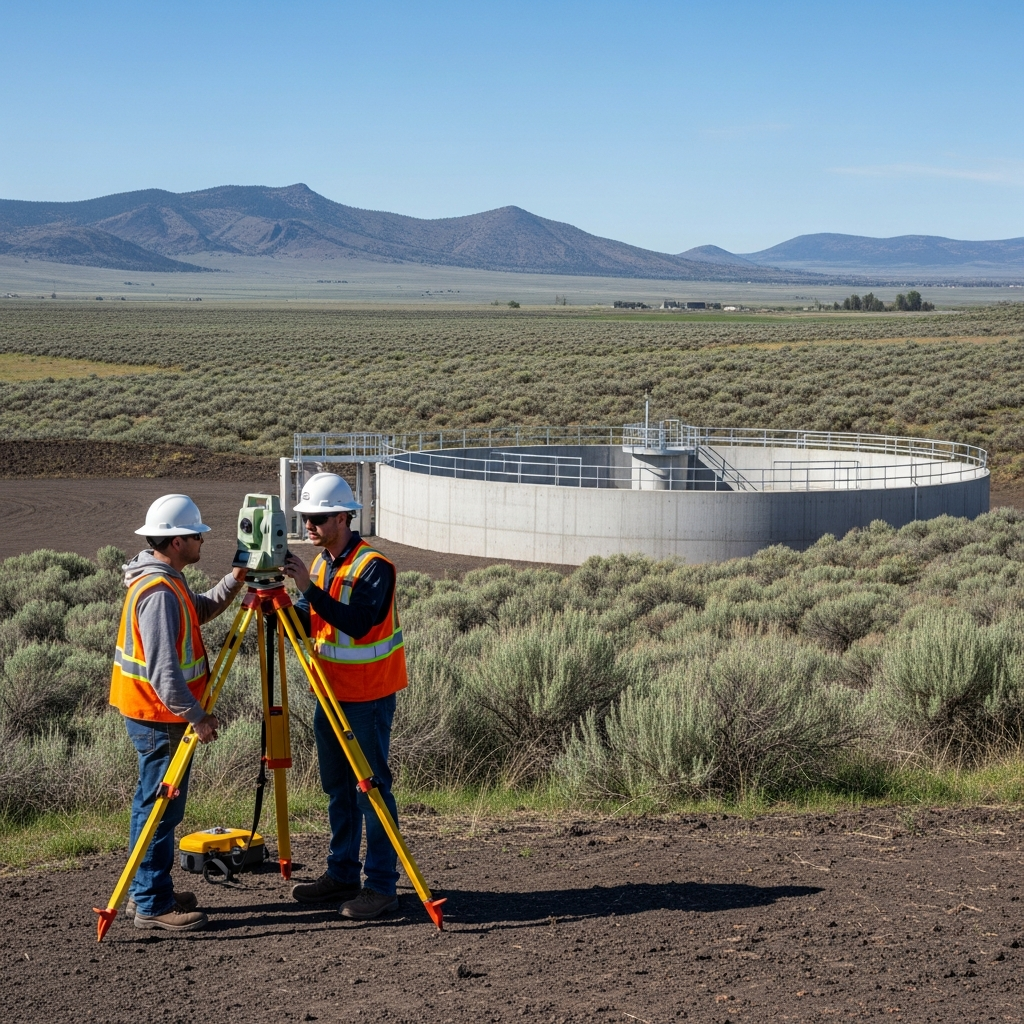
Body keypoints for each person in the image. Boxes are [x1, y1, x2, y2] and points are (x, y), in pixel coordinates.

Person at [110, 493, 247, 932]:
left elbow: (199, 610)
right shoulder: (158, 591)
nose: (202, 542)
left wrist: (235, 580)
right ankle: (151, 903)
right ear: (175, 543)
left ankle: (149, 892)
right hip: (159, 718)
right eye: (196, 536)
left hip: (158, 715)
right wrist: (197, 716)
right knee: (158, 809)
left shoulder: (167, 580)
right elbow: (164, 672)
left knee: (155, 807)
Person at [282, 472, 406, 921]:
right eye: (304, 518)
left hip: (367, 698)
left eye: (316, 519)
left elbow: (359, 624)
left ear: (342, 516)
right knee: (337, 788)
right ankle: (342, 872)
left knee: (370, 790)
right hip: (330, 696)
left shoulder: (375, 566)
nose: (308, 526)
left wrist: (308, 592)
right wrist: (277, 600)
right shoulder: (319, 564)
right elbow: (303, 620)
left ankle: (381, 886)